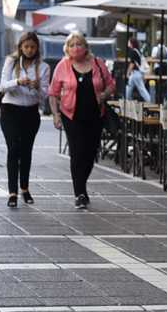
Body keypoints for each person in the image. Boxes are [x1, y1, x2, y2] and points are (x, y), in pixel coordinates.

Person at [48, 31, 115, 210]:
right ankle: (80, 193)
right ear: (67, 49)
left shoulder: (98, 64)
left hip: (95, 115)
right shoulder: (62, 66)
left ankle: (81, 184)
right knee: (77, 153)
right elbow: (53, 93)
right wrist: (55, 114)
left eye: (79, 44)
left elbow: (111, 84)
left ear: (86, 47)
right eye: (72, 45)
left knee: (91, 153)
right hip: (72, 116)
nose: (76, 48)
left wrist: (104, 94)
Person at [0, 32, 50, 208]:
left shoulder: (43, 67)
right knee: (13, 149)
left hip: (30, 112)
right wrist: (17, 82)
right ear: (20, 47)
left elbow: (45, 96)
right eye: (26, 46)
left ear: (37, 48)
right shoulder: (11, 62)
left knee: (26, 151)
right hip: (10, 110)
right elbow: (3, 86)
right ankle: (12, 192)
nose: (29, 50)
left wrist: (37, 87)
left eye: (33, 47)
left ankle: (24, 188)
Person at [125, 38, 151, 102]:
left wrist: (128, 72)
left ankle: (150, 101)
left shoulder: (133, 51)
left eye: (129, 42)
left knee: (141, 89)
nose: (128, 43)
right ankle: (128, 101)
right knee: (129, 87)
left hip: (136, 73)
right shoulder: (137, 51)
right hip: (136, 73)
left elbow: (132, 63)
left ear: (131, 43)